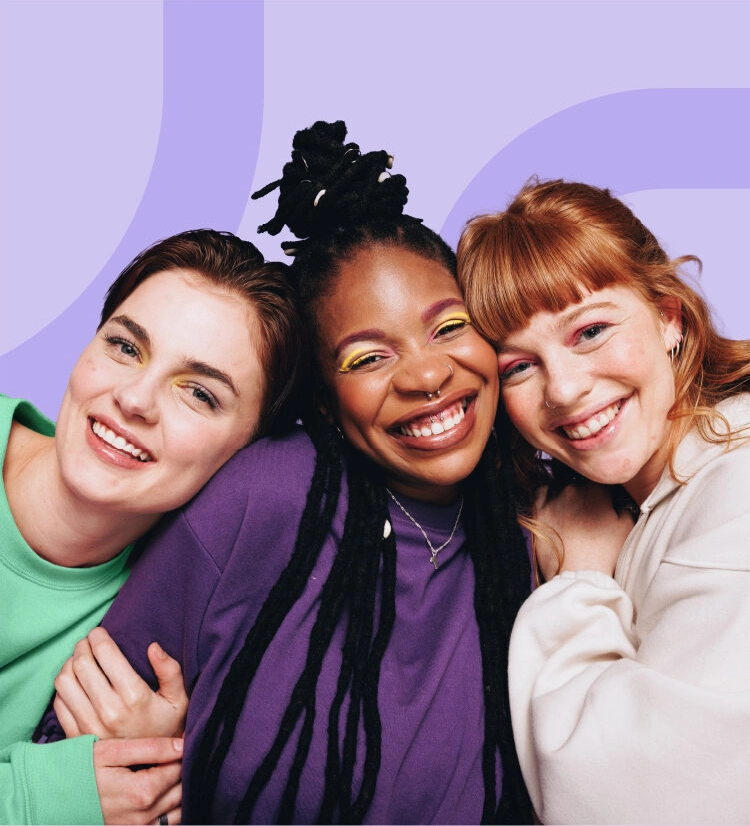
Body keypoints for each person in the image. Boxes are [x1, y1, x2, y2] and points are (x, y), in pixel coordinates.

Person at [49, 120, 534, 824]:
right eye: (369, 357)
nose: (428, 373)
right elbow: (76, 763)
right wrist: (149, 790)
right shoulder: (265, 498)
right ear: (326, 404)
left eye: (449, 326)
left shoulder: (528, 540)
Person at [456, 178, 750, 824]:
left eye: (589, 331)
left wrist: (581, 581)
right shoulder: (655, 495)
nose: (563, 388)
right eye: (519, 367)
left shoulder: (737, 489)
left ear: (669, 317)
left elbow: (635, 802)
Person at [2, 228, 301, 826]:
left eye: (199, 393)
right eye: (126, 347)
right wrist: (41, 799)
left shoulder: (160, 637)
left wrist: (154, 771)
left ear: (248, 456)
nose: (135, 398)